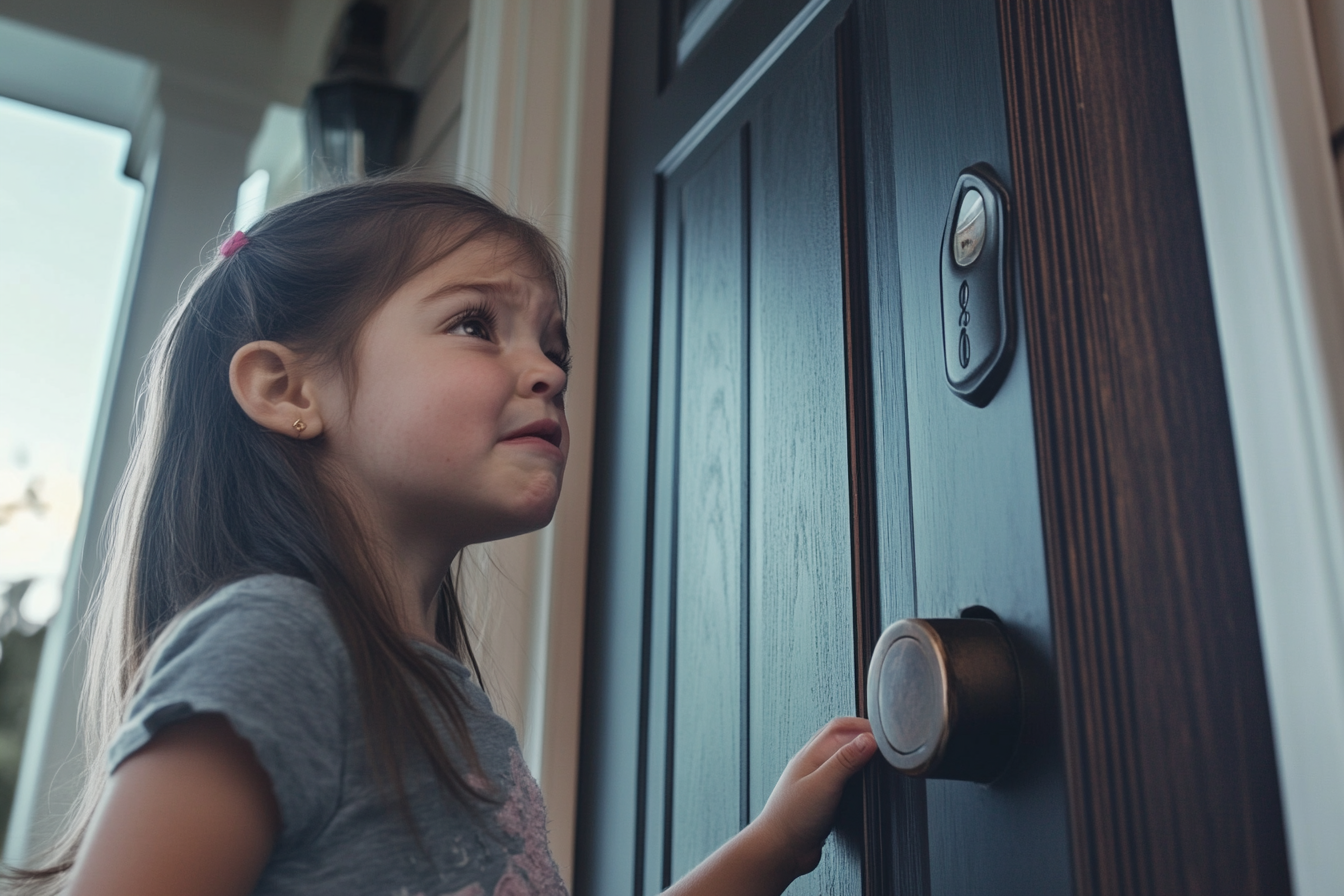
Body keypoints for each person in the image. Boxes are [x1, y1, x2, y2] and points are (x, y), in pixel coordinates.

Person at [7, 180, 877, 896]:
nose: (548, 371)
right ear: (286, 389)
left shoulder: (444, 703)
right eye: (475, 325)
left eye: (553, 345)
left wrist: (772, 847)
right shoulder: (280, 644)